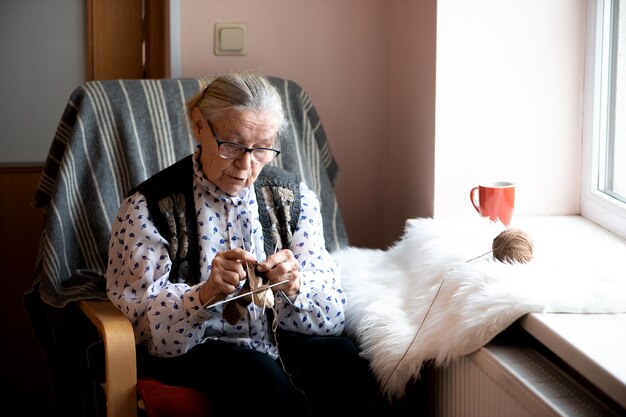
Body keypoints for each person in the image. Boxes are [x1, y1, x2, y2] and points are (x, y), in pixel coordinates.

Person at [105, 71, 392, 416]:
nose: (245, 166)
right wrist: (203, 294)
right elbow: (144, 331)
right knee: (260, 378)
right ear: (199, 126)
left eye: (261, 150)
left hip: (279, 341)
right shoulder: (147, 208)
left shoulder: (293, 198)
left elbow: (331, 317)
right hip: (197, 351)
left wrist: (296, 286)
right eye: (232, 146)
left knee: (347, 362)